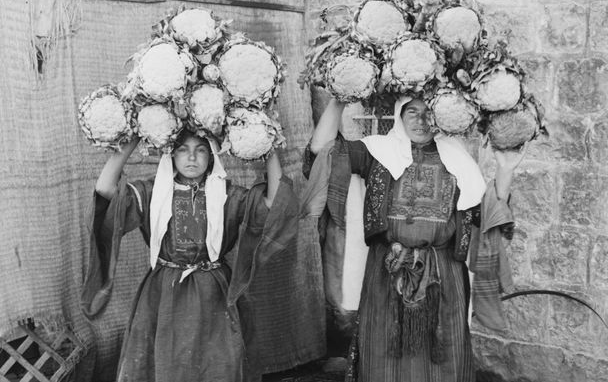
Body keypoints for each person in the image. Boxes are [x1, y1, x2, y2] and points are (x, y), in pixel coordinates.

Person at [302, 95, 525, 382]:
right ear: (398, 115)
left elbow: (488, 217)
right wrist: (339, 98)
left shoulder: (458, 159)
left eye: (428, 113)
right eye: (412, 112)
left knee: (445, 357)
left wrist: (506, 169)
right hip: (386, 273)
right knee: (383, 357)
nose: (420, 121)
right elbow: (322, 152)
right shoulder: (376, 153)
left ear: (439, 118)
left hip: (444, 277)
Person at [81, 129, 298, 382]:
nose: (192, 157)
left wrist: (267, 143)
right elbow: (105, 191)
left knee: (219, 363)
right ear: (171, 154)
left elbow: (275, 204)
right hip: (163, 294)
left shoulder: (228, 195)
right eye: (183, 149)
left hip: (215, 292)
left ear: (212, 154)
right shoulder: (152, 193)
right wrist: (132, 139)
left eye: (201, 150)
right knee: (165, 362)